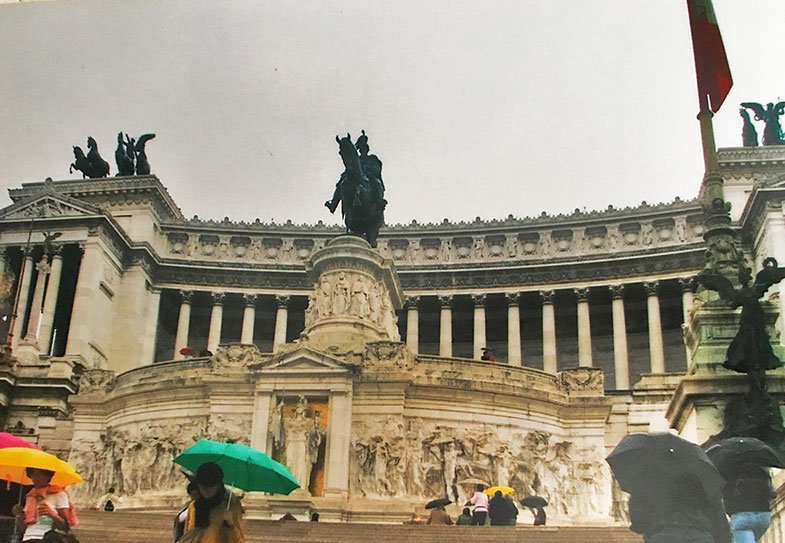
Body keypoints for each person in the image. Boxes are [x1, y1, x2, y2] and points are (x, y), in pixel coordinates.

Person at [628, 476, 731, 543]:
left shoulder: (646, 480)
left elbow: (638, 513)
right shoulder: (701, 478)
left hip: (661, 534)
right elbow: (718, 514)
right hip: (700, 533)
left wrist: (642, 527)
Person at [182, 462, 245, 543]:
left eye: (209, 486)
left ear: (218, 485)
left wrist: (231, 525)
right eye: (202, 487)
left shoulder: (230, 506)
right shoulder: (194, 506)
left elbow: (239, 541)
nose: (205, 491)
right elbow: (187, 535)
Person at [12, 468, 76, 543]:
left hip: (49, 539)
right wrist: (19, 515)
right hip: (28, 538)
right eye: (33, 474)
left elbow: (65, 526)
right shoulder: (30, 496)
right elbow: (24, 529)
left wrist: (51, 514)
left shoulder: (59, 494)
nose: (35, 478)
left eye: (40, 475)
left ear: (48, 476)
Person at [723, 465, 775, 543]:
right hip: (763, 516)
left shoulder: (728, 473)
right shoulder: (761, 470)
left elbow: (725, 495)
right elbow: (771, 493)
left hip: (741, 515)